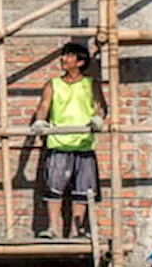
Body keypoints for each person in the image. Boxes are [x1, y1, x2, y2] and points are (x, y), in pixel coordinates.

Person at [30, 42, 106, 238]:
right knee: (54, 187)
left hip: (83, 143)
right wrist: (40, 121)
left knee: (82, 189)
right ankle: (53, 228)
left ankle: (77, 230)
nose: (63, 59)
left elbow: (100, 106)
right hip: (58, 143)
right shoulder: (53, 84)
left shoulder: (90, 84)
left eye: (69, 56)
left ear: (80, 62)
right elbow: (44, 106)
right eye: (64, 55)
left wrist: (99, 118)